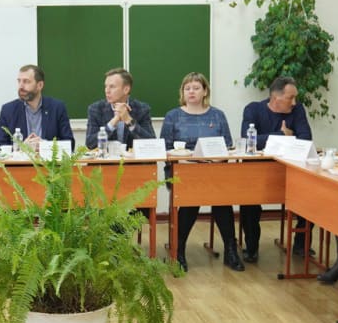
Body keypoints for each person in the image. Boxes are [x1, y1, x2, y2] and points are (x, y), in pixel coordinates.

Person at [160, 73, 244, 272]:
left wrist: (214, 159)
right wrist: (186, 160)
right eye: (187, 88)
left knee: (221, 199)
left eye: (196, 88)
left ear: (205, 91)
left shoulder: (217, 115)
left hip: (213, 169)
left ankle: (230, 250)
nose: (191, 92)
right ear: (182, 92)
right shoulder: (173, 116)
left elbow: (228, 146)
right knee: (192, 197)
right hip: (182, 169)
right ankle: (178, 251)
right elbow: (164, 148)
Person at [239, 76, 313, 262]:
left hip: (289, 170)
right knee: (249, 202)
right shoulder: (253, 109)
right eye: (290, 98)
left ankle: (301, 244)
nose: (294, 102)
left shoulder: (297, 110)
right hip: (258, 171)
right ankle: (251, 247)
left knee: (312, 197)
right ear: (275, 97)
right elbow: (248, 141)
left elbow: (305, 139)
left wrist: (268, 139)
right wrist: (282, 134)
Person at [0, 64, 74, 151]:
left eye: (26, 81)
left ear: (40, 85)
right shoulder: (8, 110)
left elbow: (70, 143)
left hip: (48, 159)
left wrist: (45, 145)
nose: (21, 86)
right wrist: (21, 147)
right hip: (20, 159)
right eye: (19, 81)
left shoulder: (57, 108)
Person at [86, 68, 155, 149]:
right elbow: (90, 144)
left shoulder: (142, 109)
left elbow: (152, 144)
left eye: (112, 87)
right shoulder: (95, 109)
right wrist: (113, 123)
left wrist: (129, 120)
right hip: (106, 157)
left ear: (126, 89)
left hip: (132, 157)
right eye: (106, 86)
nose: (107, 91)